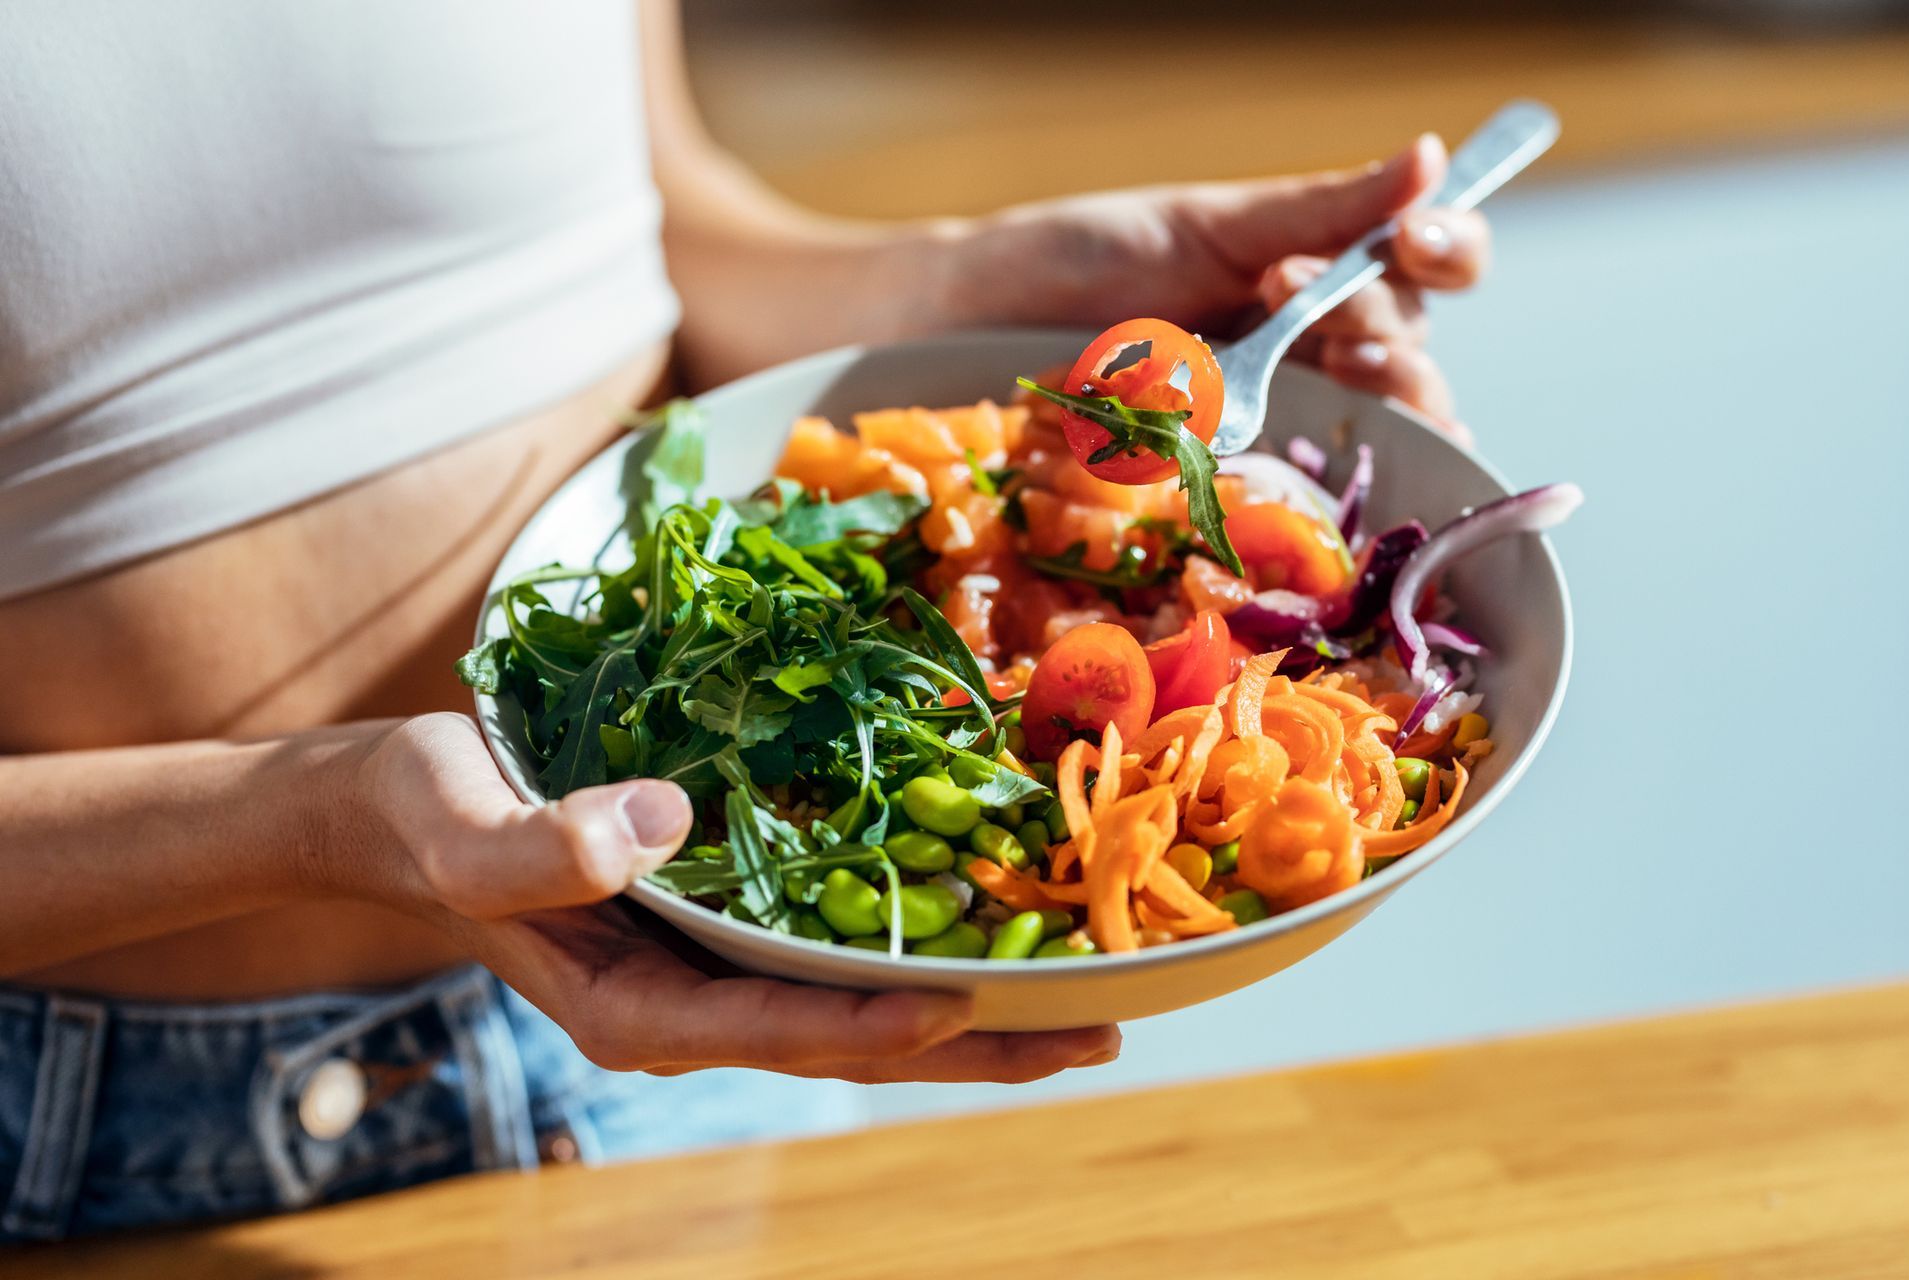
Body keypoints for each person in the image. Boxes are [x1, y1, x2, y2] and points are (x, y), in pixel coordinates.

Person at [0, 1, 1491, 1241]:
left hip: (707, 1011)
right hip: (103, 1149)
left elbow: (646, 233)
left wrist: (966, 286)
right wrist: (312, 815)